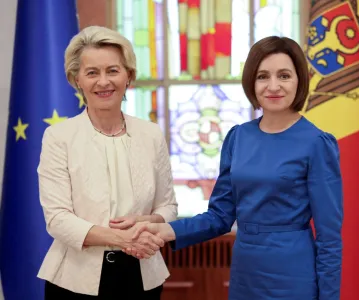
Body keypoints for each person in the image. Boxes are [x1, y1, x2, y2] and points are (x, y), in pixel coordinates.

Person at [129, 36, 343, 300]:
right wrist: (167, 230)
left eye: (284, 76)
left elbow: (329, 238)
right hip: (245, 271)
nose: (273, 86)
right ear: (252, 82)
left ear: (299, 80)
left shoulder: (317, 143)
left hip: (293, 273)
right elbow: (220, 216)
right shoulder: (238, 137)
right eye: (263, 76)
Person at [37, 25, 178, 299]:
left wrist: (148, 222)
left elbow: (168, 206)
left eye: (113, 70)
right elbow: (57, 218)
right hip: (74, 281)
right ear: (76, 79)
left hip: (143, 276)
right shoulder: (58, 137)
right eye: (92, 73)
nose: (103, 82)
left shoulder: (150, 134)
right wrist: (124, 239)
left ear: (129, 76)